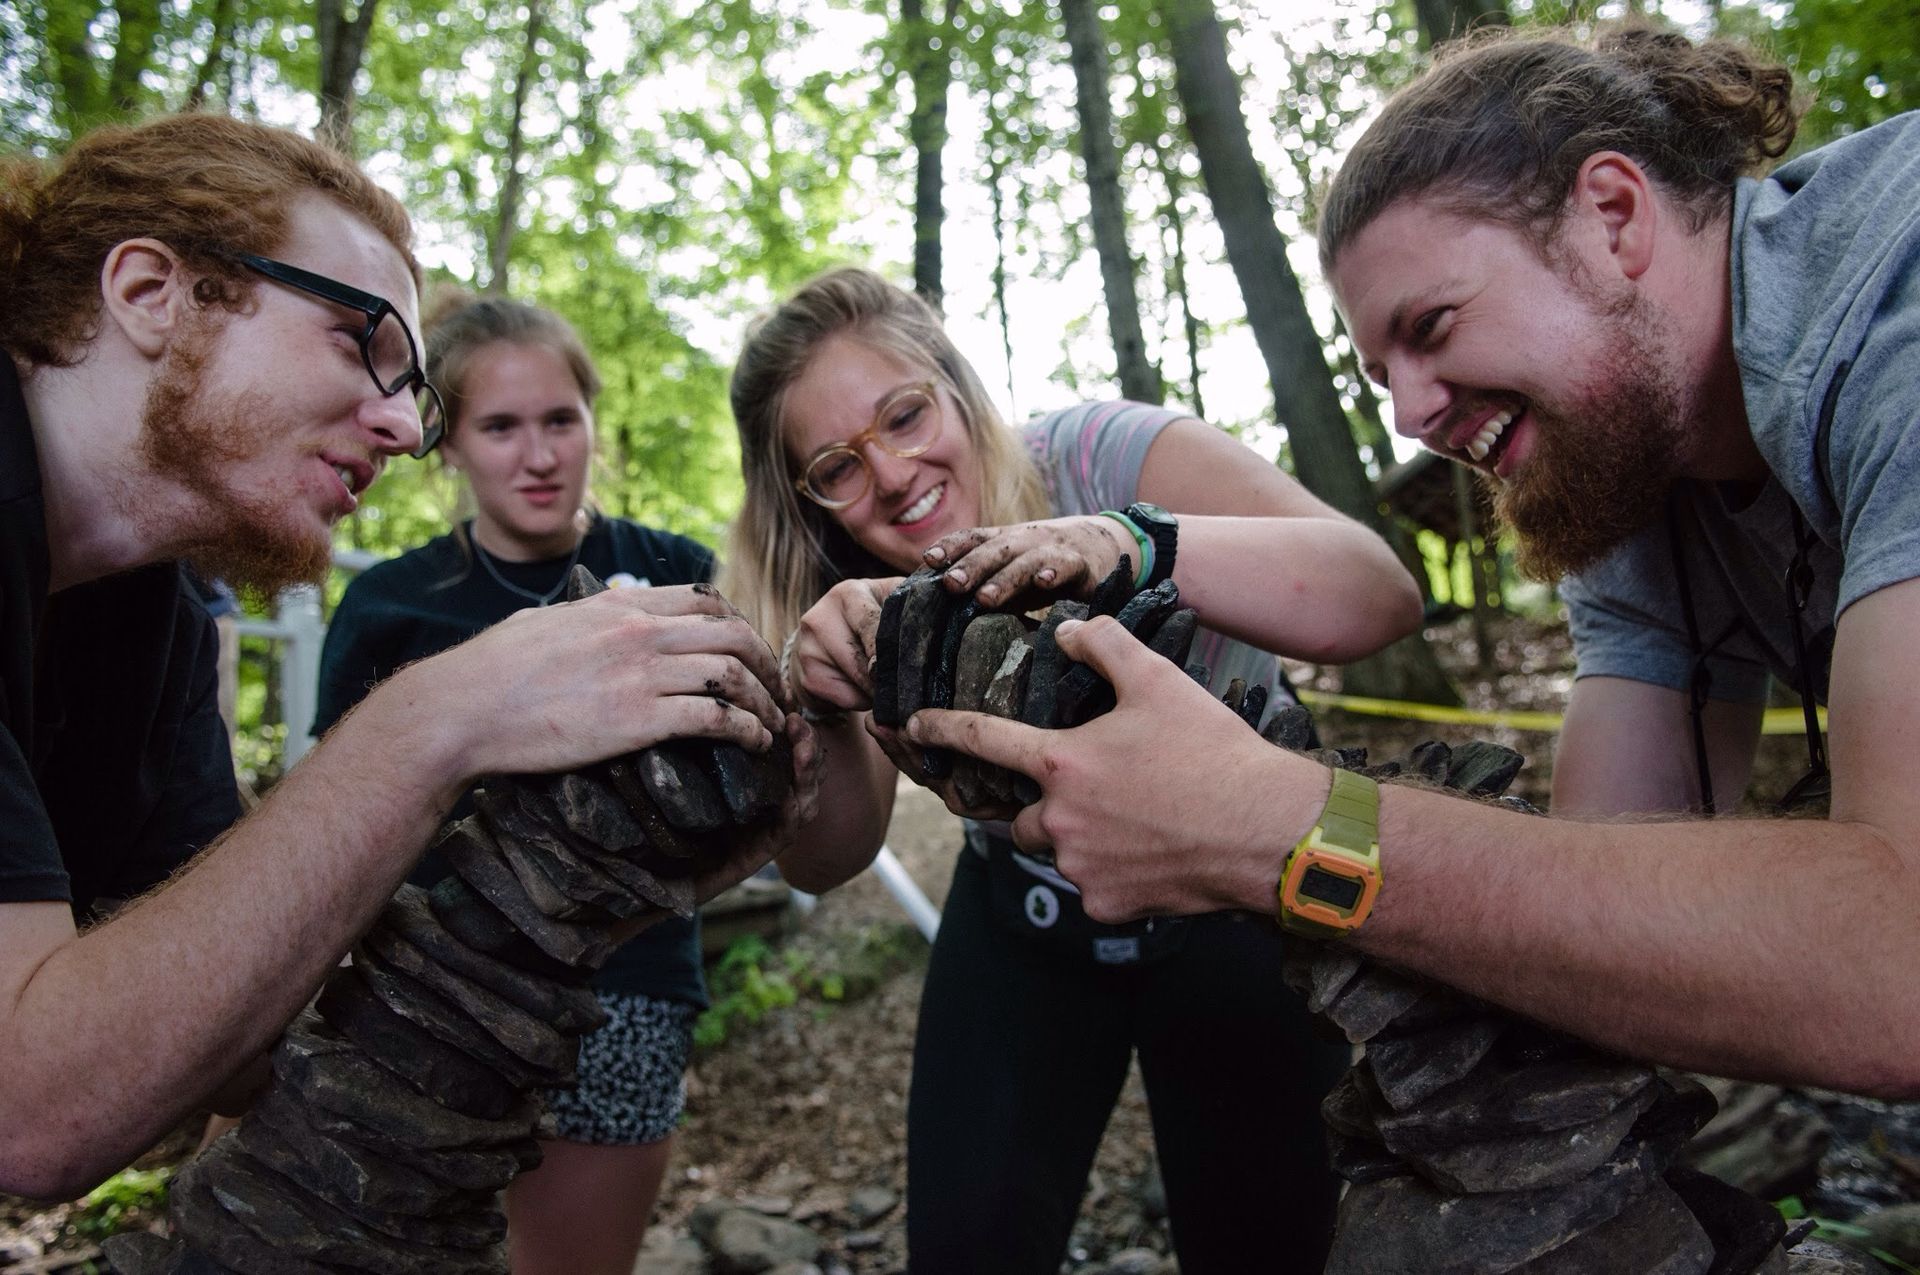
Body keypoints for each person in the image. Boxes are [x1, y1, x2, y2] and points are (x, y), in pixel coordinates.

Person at [907, 25, 1920, 1099]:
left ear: (1613, 215)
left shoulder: (1889, 303)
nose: (1413, 419)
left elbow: (1896, 964)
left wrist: (1278, 827)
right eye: (1384, 372)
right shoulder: (1623, 463)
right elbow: (1595, 897)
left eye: (1431, 326)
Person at [0, 113, 813, 1203]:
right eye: (360, 340)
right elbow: (30, 1115)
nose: (400, 430)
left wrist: (584, 886)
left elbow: (233, 1045)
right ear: (151, 292)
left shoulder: (155, 611)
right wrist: (439, 717)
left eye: (413, 389)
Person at [718, 266, 1424, 1272]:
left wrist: (1131, 544)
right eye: (836, 465)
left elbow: (1379, 596)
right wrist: (823, 706)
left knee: (1271, 1240)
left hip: (1240, 906)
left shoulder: (1105, 454)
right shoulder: (849, 582)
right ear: (810, 498)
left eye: (906, 415)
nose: (889, 473)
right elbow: (827, 862)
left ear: (956, 388)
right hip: (1025, 917)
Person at [315, 295, 713, 1275]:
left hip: (629, 985)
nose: (536, 455)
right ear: (448, 444)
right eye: (499, 426)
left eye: (558, 420)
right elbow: (333, 827)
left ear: (591, 424)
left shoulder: (674, 572)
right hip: (422, 991)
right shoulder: (390, 603)